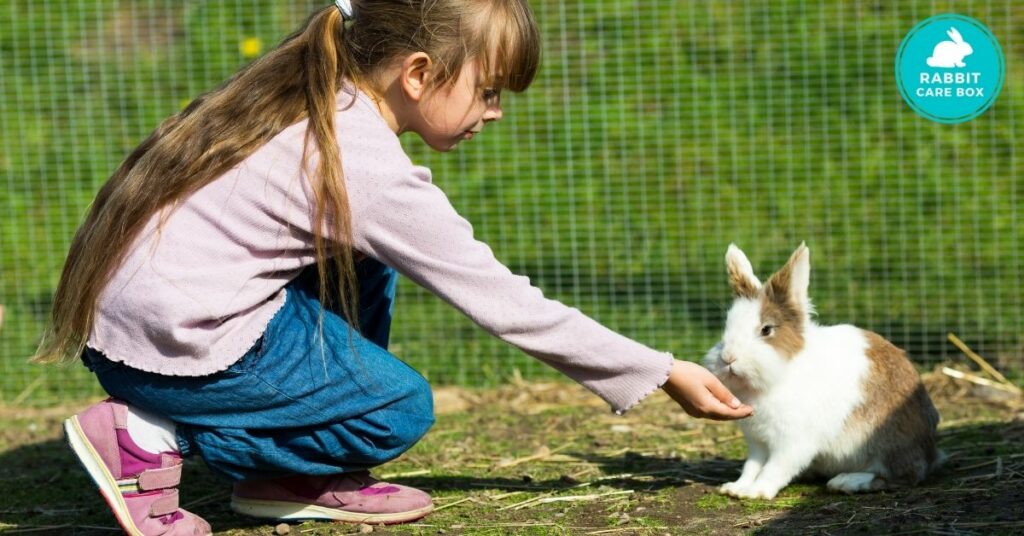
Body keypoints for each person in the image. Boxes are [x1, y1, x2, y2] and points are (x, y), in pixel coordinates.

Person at [36, 0, 753, 533]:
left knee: (364, 262)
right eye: (490, 89)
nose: (495, 112)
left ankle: (285, 477)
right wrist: (659, 370)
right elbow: (504, 301)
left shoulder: (316, 99)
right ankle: (150, 437)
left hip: (140, 330)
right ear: (418, 73)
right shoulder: (368, 169)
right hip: (175, 352)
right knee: (394, 409)